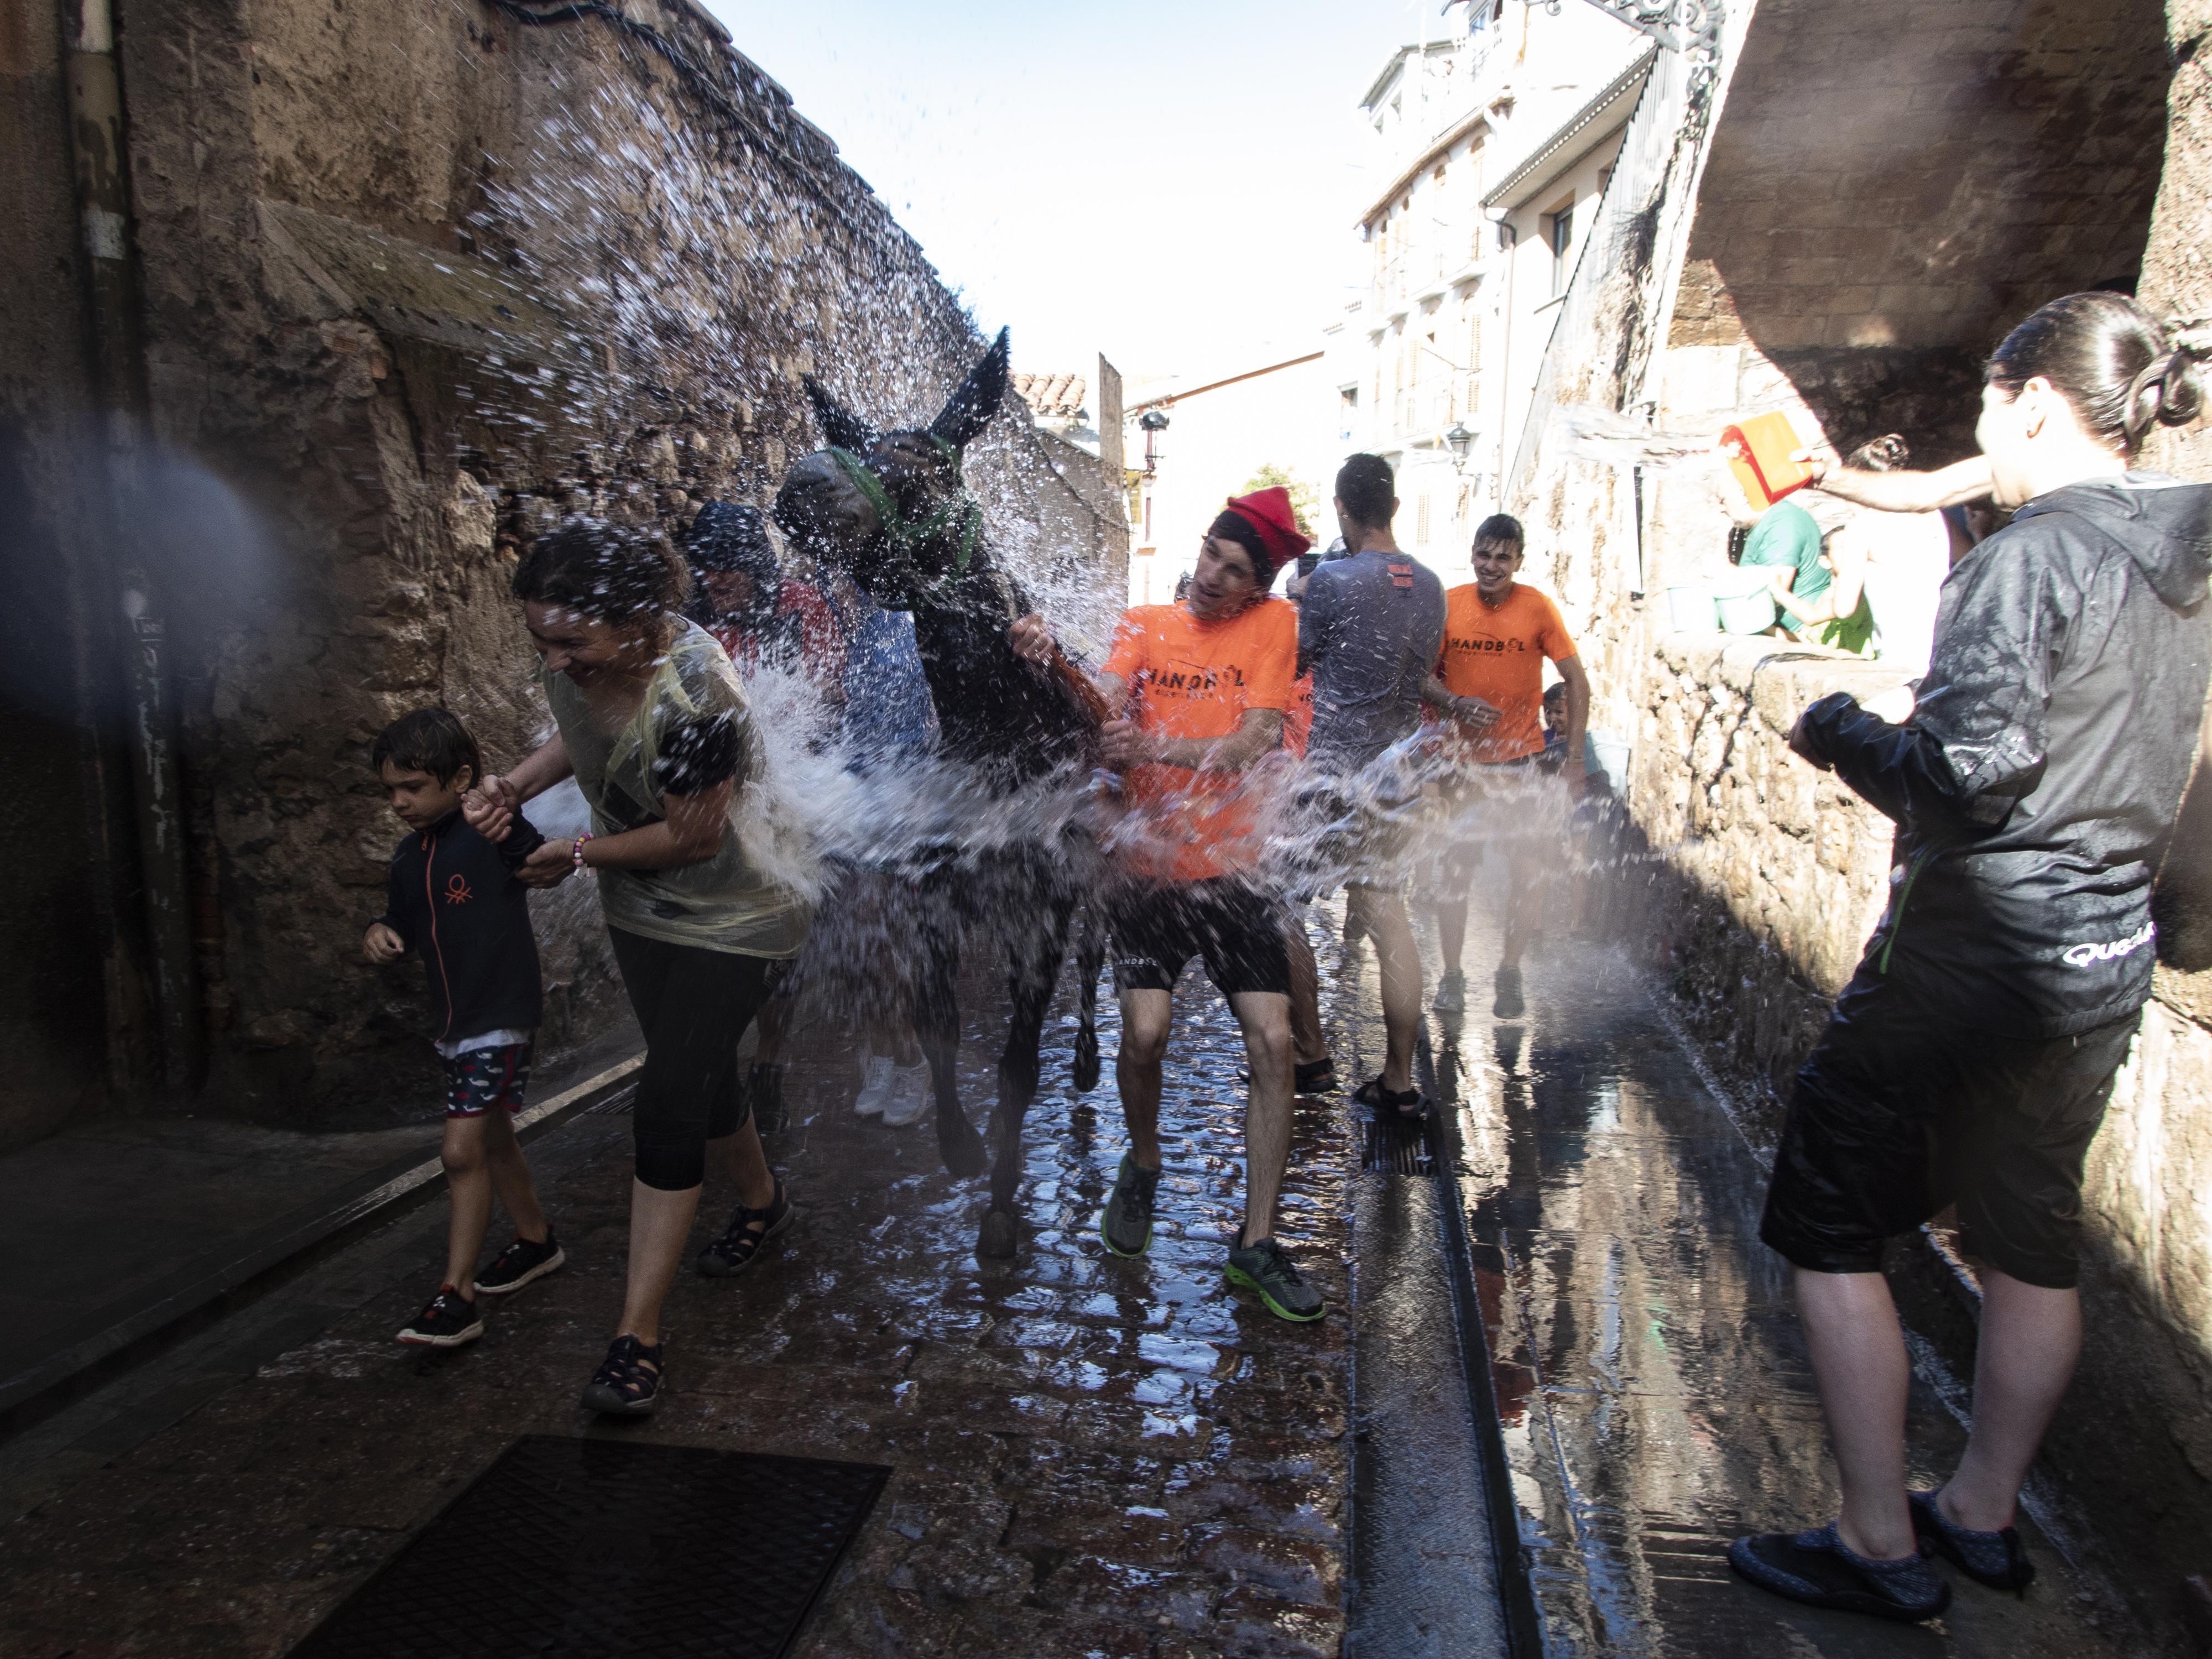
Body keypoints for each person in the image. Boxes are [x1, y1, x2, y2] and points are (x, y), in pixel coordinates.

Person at [1730, 292, 2209, 1621]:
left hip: (1970, 952)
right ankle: (1983, 1512)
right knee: (2026, 1233)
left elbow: (1968, 773)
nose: (1978, 430)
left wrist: (1835, 727)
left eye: (1986, 407)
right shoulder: (2188, 543)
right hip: (2104, 948)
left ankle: (1877, 1540)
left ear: (2032, 401)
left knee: (1827, 1218)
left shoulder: (2024, 560)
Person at [469, 517, 812, 1416]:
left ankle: (637, 1338)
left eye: (570, 644)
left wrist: (575, 855)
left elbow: (696, 840)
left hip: (737, 909)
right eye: (540, 642)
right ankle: (764, 1202)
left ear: (634, 625)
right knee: (694, 1077)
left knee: (666, 1096)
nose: (554, 663)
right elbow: (576, 727)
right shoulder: (586, 661)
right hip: (643, 902)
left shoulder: (698, 696)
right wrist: (513, 784)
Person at [1089, 486, 1324, 1322]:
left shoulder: (1273, 629)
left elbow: (1256, 739)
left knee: (1274, 1038)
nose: (1210, 577)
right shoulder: (1143, 621)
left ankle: (1256, 1244)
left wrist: (1151, 743)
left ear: (1258, 585)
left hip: (1234, 872)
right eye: (1209, 554)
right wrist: (1054, 669)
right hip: (1149, 871)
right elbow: (1101, 703)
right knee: (1145, 1034)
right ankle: (1144, 1161)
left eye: (1233, 570)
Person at [365, 709, 563, 1349]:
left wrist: (499, 818)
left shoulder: (487, 834)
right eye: (391, 790)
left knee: (460, 1151)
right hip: (455, 1023)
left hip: (499, 1018)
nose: (400, 803)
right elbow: (398, 915)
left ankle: (458, 1294)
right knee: (495, 1136)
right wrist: (381, 931)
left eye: (414, 788)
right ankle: (535, 1240)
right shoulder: (405, 856)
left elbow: (535, 859)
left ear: (460, 780)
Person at [683, 500, 841, 1130]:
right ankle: (714, 1061)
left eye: (726, 569)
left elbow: (826, 695)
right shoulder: (694, 624)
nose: (715, 581)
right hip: (721, 800)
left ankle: (770, 1060)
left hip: (789, 792)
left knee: (780, 946)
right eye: (705, 569)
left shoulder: (801, 605)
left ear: (753, 564)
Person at [1298, 455, 1447, 1117]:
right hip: (1400, 771)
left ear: (1342, 508)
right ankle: (1398, 1080)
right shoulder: (1434, 584)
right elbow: (1418, 677)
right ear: (1391, 504)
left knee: (1274, 900)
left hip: (1334, 770)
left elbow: (1295, 659)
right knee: (1389, 916)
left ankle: (1307, 1057)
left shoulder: (1331, 580)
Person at [1421, 514, 1590, 1019]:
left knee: (1530, 872)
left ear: (1519, 561)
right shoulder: (1448, 604)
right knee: (1455, 873)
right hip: (1461, 767)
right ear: (1472, 553)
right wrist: (1454, 703)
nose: (1491, 566)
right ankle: (1452, 976)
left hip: (1523, 763)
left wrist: (1575, 759)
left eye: (1503, 557)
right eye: (1484, 554)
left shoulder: (1537, 607)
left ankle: (1510, 971)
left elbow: (1577, 683)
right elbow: (1420, 680)